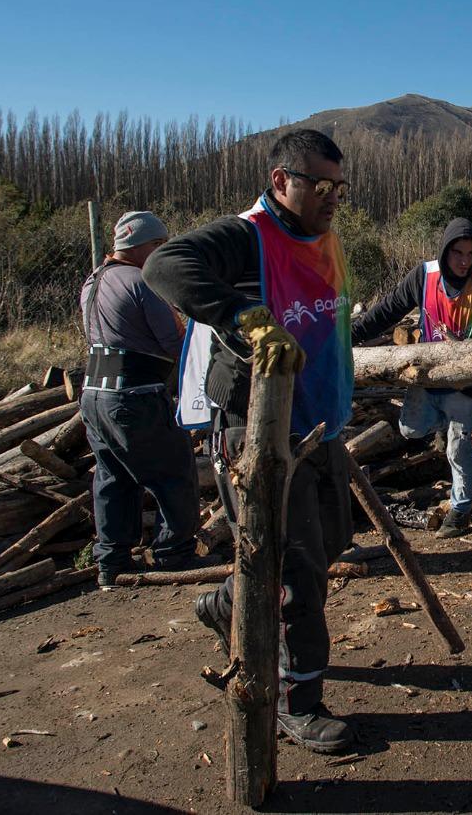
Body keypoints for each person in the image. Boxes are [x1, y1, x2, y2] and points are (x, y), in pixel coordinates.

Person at [142, 129, 356, 754]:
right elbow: (163, 266)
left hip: (318, 422)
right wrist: (243, 316)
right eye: (321, 186)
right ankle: (296, 698)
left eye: (339, 188)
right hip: (258, 430)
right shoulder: (245, 236)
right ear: (282, 178)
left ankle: (228, 603)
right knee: (297, 569)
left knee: (331, 541)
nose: (332, 198)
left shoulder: (322, 240)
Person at [350, 217, 472, 538]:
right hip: (428, 377)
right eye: (457, 253)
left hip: (467, 386)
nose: (464, 261)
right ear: (444, 251)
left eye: (470, 254)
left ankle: (460, 511)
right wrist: (348, 336)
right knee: (410, 429)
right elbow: (386, 311)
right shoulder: (424, 277)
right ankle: (441, 429)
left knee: (458, 446)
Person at [79, 211, 203, 589]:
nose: (161, 252)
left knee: (113, 477)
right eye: (157, 245)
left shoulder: (93, 281)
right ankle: (173, 554)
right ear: (140, 246)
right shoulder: (143, 282)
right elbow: (173, 342)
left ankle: (112, 561)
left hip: (95, 394)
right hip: (136, 394)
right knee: (175, 472)